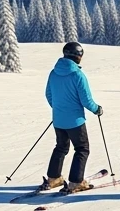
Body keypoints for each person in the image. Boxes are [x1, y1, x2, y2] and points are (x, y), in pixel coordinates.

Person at [42, 41, 103, 193]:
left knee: (61, 147)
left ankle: (53, 178)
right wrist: (97, 109)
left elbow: (49, 95)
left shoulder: (53, 72)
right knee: (82, 149)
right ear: (78, 56)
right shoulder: (77, 75)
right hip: (75, 121)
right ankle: (76, 182)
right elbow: (86, 100)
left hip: (58, 119)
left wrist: (59, 109)